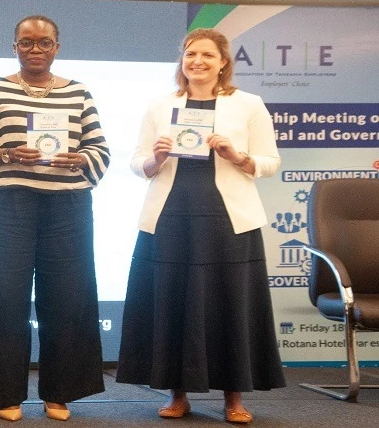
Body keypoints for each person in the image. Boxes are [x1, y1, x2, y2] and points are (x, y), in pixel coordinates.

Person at [116, 28, 286, 424]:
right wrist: (155, 159)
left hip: (229, 220)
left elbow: (269, 161)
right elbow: (136, 161)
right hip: (170, 216)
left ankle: (233, 397)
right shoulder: (161, 105)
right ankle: (178, 395)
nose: (198, 61)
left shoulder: (248, 104)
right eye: (191, 54)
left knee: (232, 306)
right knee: (172, 302)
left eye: (208, 55)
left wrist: (237, 155)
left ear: (223, 62)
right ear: (182, 60)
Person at [0, 15, 109, 422]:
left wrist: (81, 158)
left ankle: (60, 393)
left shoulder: (79, 93)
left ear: (57, 47)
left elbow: (100, 151)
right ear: (15, 47)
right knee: (2, 298)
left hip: (68, 206)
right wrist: (6, 154)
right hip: (7, 205)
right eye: (27, 43)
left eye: (44, 42)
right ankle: (4, 393)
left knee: (68, 298)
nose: (36, 49)